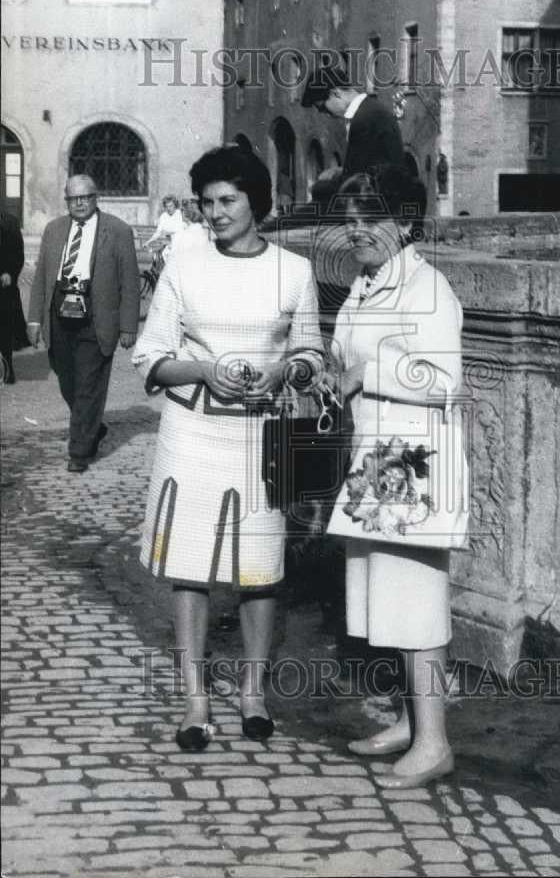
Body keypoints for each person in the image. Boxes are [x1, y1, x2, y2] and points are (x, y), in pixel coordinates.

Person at [132, 146, 323, 750]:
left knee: (259, 572)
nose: (214, 213)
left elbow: (312, 356)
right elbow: (150, 359)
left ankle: (253, 693)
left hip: (259, 438)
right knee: (189, 570)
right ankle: (194, 701)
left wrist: (283, 375)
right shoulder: (183, 268)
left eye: (227, 200)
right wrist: (202, 370)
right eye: (206, 202)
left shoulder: (294, 271)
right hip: (191, 436)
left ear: (256, 202)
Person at [330, 164, 466, 789]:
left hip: (414, 462)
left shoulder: (429, 287)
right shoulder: (368, 282)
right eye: (350, 222)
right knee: (386, 598)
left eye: (370, 221)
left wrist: (368, 373)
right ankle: (412, 725)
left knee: (415, 601)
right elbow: (344, 356)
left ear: (406, 222)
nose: (357, 232)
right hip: (375, 461)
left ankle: (436, 742)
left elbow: (443, 383)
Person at [27, 174, 140, 472]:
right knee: (68, 382)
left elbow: (130, 282)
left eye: (85, 197)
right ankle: (92, 426)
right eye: (72, 198)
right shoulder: (54, 230)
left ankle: (80, 451)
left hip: (96, 317)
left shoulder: (117, 230)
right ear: (66, 200)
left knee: (89, 384)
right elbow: (40, 277)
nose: (79, 203)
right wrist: (34, 318)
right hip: (58, 315)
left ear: (95, 197)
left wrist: (129, 326)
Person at [301, 65, 403, 178]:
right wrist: (341, 172)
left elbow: (356, 177)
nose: (324, 113)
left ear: (335, 93)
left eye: (322, 108)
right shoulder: (371, 110)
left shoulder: (364, 119)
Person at [0, 210, 30, 384]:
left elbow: (18, 253)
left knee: (4, 328)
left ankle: (8, 367)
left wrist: (10, 273)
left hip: (3, 286)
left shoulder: (8, 222)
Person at [144, 194, 186, 262]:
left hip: (180, 243)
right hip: (167, 243)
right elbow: (158, 232)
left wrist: (169, 233)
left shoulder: (180, 214)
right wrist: (149, 241)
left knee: (168, 253)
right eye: (167, 206)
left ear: (175, 205)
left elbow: (181, 230)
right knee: (164, 254)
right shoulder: (163, 216)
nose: (169, 208)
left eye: (171, 206)